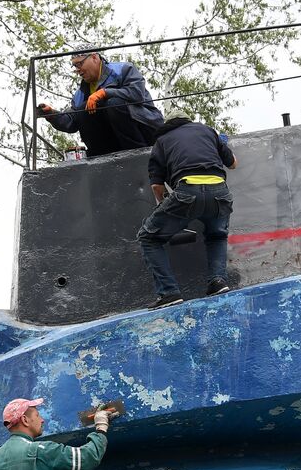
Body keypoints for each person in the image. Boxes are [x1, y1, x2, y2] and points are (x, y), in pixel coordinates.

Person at [138, 110, 236, 308]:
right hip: (220, 193)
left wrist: (167, 204)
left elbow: (157, 186)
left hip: (186, 191)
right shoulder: (208, 131)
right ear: (188, 120)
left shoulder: (162, 140)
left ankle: (169, 292)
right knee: (216, 235)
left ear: (169, 124)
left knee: (148, 237)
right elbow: (233, 163)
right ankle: (218, 281)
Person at [38, 49, 164, 158]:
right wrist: (52, 115)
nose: (77, 70)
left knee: (114, 102)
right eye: (75, 66)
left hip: (145, 131)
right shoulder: (80, 93)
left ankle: (136, 153)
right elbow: (72, 121)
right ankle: (101, 156)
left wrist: (104, 93)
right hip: (113, 142)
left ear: (94, 57)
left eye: (80, 64)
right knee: (83, 109)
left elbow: (136, 93)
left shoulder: (123, 70)